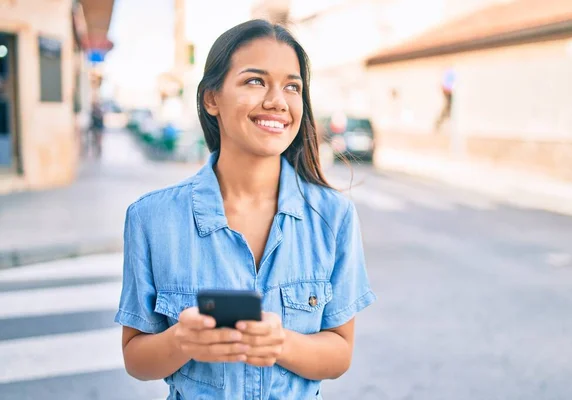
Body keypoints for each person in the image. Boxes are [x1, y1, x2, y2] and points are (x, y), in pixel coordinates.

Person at [114, 19, 376, 400]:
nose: (277, 100)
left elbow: (339, 353)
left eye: (292, 86)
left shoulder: (333, 216)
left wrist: (280, 343)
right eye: (255, 81)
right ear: (211, 98)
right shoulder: (151, 219)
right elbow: (136, 358)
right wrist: (182, 341)